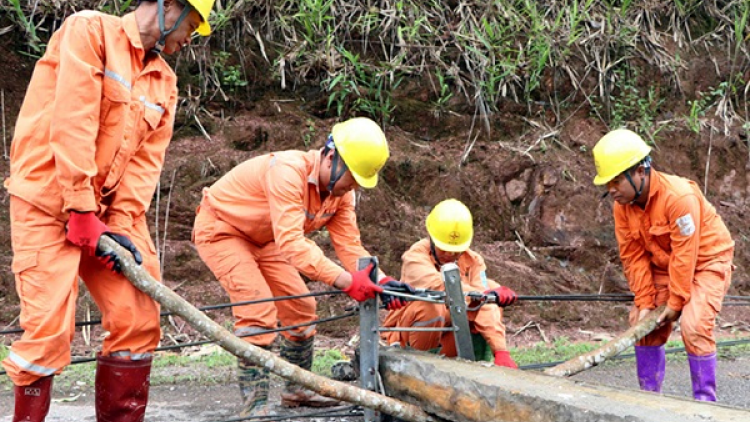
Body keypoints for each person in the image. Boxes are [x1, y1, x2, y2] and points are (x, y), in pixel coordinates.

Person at [2, 1, 215, 420]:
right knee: (47, 332)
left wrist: (116, 224)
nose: (191, 36)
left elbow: (143, 166)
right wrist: (80, 206)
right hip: (48, 204)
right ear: (168, 6)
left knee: (137, 314)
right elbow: (73, 117)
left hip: (106, 215)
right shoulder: (90, 31)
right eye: (192, 23)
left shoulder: (163, 83)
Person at [192, 117, 412, 417]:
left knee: (301, 307)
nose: (353, 187)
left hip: (266, 239)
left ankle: (297, 391)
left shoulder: (341, 196)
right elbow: (293, 245)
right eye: (353, 177)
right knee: (257, 309)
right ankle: (254, 407)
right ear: (332, 157)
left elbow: (350, 246)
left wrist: (382, 282)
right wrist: (346, 282)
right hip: (222, 229)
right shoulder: (287, 172)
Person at [592, 128, 734, 401]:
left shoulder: (679, 198)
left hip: (706, 260)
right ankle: (650, 401)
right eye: (607, 183)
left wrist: (676, 302)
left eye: (617, 180)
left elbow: (686, 252)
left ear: (641, 171)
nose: (611, 190)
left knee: (694, 325)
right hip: (665, 265)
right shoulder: (622, 205)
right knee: (641, 323)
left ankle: (705, 406)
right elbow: (633, 256)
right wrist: (645, 302)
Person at [381, 199, 519, 368]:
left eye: (456, 249)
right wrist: (480, 296)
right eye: (443, 247)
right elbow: (439, 285)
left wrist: (501, 351)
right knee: (431, 305)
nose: (450, 253)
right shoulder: (414, 258)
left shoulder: (474, 261)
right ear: (431, 237)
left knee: (489, 292)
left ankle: (473, 364)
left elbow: (484, 301)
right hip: (407, 339)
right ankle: (418, 367)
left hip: (450, 338)